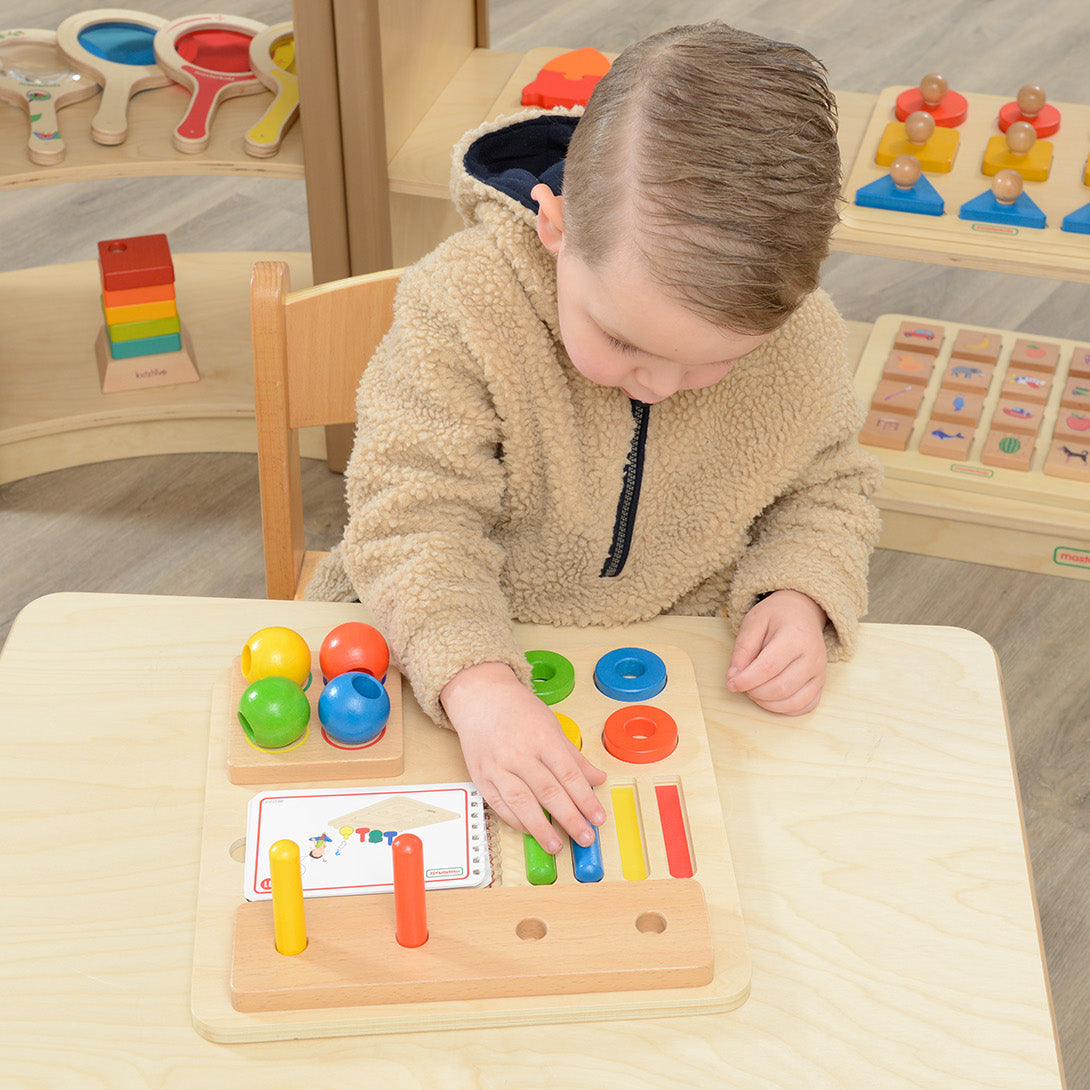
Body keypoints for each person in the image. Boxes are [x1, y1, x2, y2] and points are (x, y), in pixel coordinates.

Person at [307, 21, 883, 854]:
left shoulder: (802, 342)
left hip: (675, 672)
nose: (659, 384)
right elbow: (410, 523)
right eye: (624, 343)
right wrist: (477, 684)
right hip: (438, 659)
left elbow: (831, 485)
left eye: (710, 364)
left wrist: (799, 591)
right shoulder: (463, 308)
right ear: (556, 224)